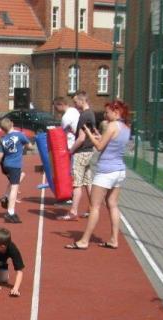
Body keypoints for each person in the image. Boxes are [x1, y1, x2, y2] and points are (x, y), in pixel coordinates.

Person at [65, 100, 132, 251]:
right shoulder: (126, 127)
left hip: (106, 171)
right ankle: (114, 239)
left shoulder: (113, 126)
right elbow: (108, 142)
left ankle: (84, 241)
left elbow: (100, 146)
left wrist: (87, 132)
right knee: (112, 204)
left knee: (94, 206)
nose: (105, 115)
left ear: (116, 112)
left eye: (107, 112)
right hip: (119, 170)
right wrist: (96, 133)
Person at [58, 90, 97, 221]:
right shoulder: (91, 113)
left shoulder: (84, 116)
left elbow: (81, 138)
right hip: (89, 150)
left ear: (81, 101)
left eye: (75, 102)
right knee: (87, 181)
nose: (74, 105)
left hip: (81, 152)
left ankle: (73, 211)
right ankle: (92, 208)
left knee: (77, 183)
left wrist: (71, 151)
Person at [0, 117, 33, 224]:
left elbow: (0, 154)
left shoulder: (3, 139)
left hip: (6, 164)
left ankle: (6, 196)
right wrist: (25, 146)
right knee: (15, 188)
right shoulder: (20, 135)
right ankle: (10, 212)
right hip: (15, 165)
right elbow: (30, 146)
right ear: (12, 124)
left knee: (16, 180)